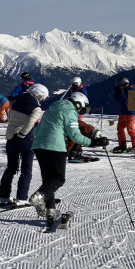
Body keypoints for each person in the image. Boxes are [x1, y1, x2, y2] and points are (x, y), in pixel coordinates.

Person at [30, 92, 108, 225]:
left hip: (39, 146)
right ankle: (39, 197)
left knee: (48, 180)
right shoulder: (70, 112)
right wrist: (93, 143)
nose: (80, 111)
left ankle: (51, 211)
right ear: (78, 104)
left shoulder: (51, 109)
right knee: (58, 179)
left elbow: (36, 131)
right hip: (55, 147)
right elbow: (75, 135)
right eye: (81, 108)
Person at [0, 84, 47, 207]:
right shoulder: (36, 108)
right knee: (26, 170)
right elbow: (31, 123)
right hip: (26, 140)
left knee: (11, 168)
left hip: (11, 138)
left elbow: (11, 117)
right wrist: (23, 134)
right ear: (39, 95)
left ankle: (3, 197)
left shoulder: (16, 102)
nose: (42, 100)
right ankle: (22, 198)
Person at [112, 77, 135, 154]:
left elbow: (125, 100)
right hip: (123, 112)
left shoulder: (132, 90)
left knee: (130, 130)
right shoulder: (124, 90)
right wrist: (117, 92)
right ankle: (122, 145)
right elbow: (118, 100)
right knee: (120, 129)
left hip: (130, 113)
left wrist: (121, 92)